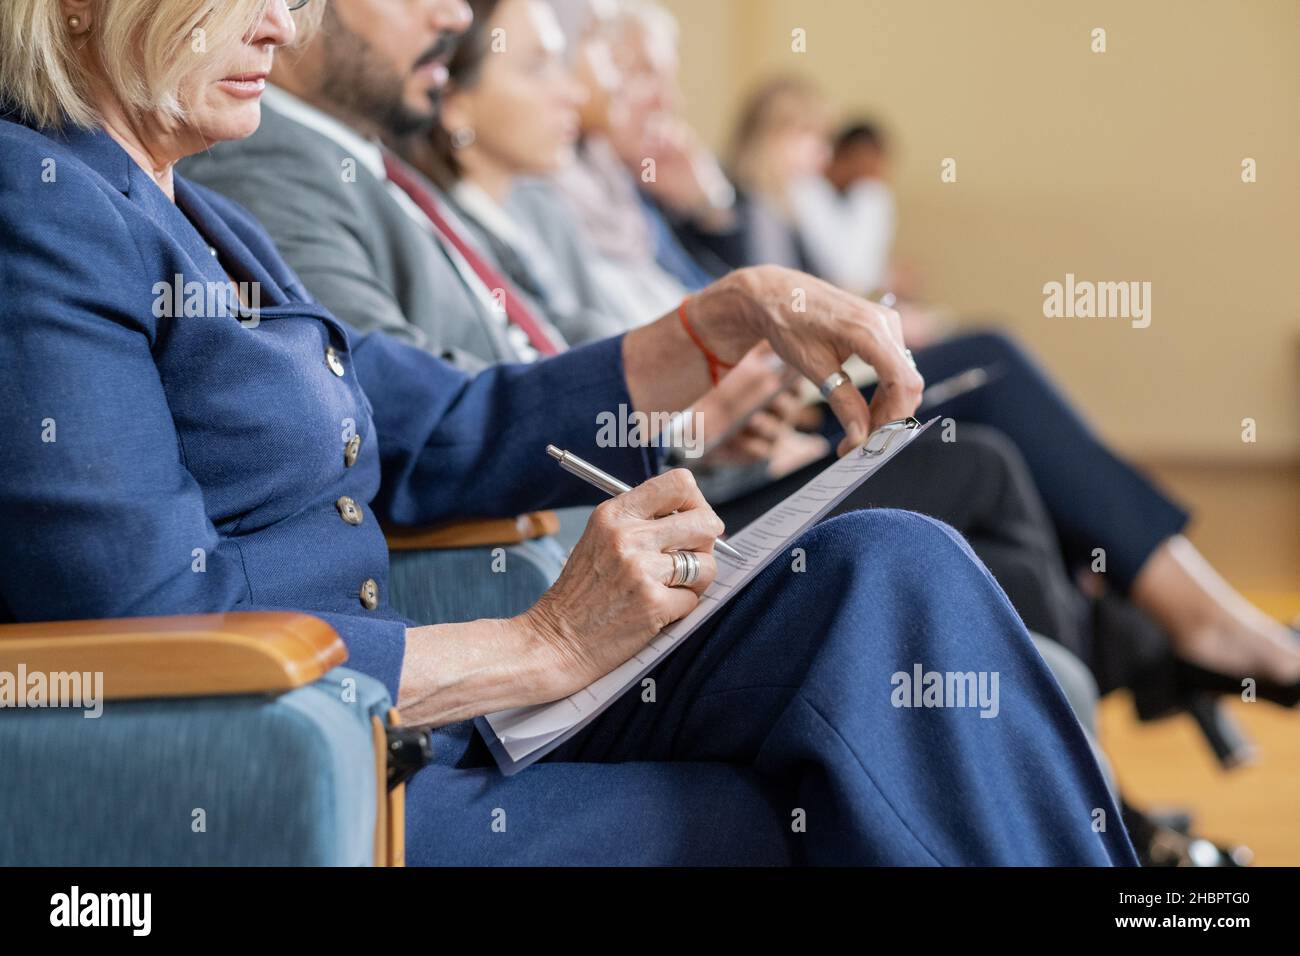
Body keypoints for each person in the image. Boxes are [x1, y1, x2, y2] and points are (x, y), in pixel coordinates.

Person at [0, 0, 1134, 865]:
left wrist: (725, 313)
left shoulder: (197, 208)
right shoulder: (40, 207)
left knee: (888, 567)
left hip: (417, 724)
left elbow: (438, 422)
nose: (284, 21)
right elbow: (147, 631)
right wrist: (538, 645)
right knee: (793, 808)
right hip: (325, 782)